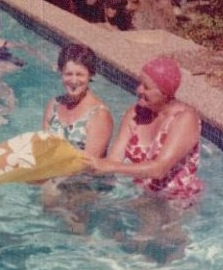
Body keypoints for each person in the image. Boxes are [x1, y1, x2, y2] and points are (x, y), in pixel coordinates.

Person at [87, 55, 203, 207]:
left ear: (165, 92)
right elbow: (114, 160)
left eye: (146, 87)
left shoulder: (185, 119)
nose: (138, 89)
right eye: (140, 83)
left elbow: (159, 169)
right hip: (140, 193)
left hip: (175, 202)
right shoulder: (135, 113)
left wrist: (111, 167)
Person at [40, 43, 114, 233]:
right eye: (68, 74)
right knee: (47, 214)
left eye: (80, 74)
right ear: (60, 73)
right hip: (59, 176)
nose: (73, 80)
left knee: (76, 230)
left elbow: (88, 164)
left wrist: (54, 181)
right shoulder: (53, 105)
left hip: (87, 183)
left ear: (90, 75)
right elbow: (44, 147)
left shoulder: (99, 115)